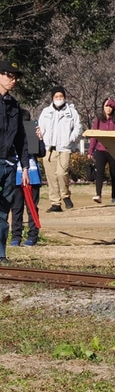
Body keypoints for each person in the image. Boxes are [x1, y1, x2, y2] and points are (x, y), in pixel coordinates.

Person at [0, 57, 30, 260]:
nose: (14, 80)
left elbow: (21, 139)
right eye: (10, 76)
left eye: (16, 77)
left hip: (8, 164)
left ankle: (1, 254)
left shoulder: (14, 106)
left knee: (3, 212)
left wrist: (25, 166)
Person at [37, 86, 81, 213]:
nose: (59, 99)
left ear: (64, 97)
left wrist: (71, 139)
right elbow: (40, 128)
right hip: (49, 149)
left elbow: (78, 128)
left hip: (65, 148)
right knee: (51, 177)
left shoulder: (72, 112)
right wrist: (41, 140)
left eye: (61, 96)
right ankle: (55, 203)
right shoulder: (46, 112)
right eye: (56, 97)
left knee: (62, 173)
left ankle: (65, 195)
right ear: (52, 98)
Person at [9, 109, 41, 247]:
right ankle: (16, 235)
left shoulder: (30, 131)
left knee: (31, 206)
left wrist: (39, 139)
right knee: (16, 207)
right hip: (15, 174)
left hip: (32, 175)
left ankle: (33, 235)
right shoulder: (9, 133)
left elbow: (40, 152)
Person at [87, 97, 115, 204]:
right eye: (106, 106)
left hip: (113, 150)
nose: (108, 108)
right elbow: (94, 135)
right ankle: (98, 195)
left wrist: (112, 103)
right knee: (99, 172)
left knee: (114, 173)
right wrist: (90, 151)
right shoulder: (98, 119)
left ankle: (114, 197)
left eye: (110, 106)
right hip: (100, 150)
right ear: (102, 107)